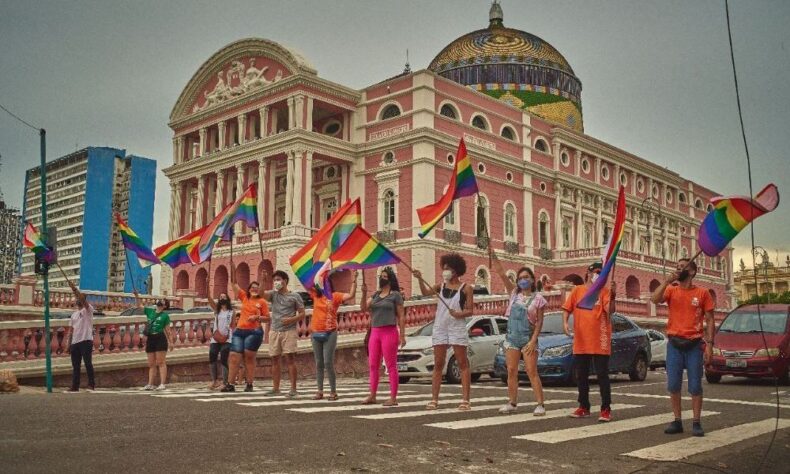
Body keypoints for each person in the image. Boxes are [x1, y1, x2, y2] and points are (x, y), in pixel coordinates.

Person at [651, 258, 715, 437]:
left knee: (695, 385)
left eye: (682, 267)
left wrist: (709, 345)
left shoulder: (702, 293)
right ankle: (677, 420)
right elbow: (654, 299)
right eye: (677, 267)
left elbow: (710, 320)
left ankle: (696, 422)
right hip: (674, 344)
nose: (678, 269)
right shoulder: (671, 290)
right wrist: (666, 281)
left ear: (692, 272)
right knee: (673, 384)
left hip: (694, 344)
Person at [489, 246, 548, 415]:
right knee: (511, 370)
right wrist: (493, 255)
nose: (523, 280)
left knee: (531, 371)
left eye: (526, 277)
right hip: (512, 337)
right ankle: (512, 402)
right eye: (521, 278)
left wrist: (532, 341)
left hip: (528, 338)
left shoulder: (539, 299)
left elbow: (539, 323)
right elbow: (500, 273)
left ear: (532, 279)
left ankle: (540, 404)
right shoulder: (514, 294)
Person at [413, 253, 474, 411]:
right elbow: (425, 293)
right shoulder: (440, 286)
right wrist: (419, 278)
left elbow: (470, 311)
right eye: (444, 268)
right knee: (438, 363)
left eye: (447, 269)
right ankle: (434, 399)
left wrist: (458, 314)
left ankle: (465, 400)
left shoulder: (466, 288)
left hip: (457, 327)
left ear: (455, 270)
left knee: (462, 363)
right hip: (440, 327)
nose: (444, 271)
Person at [562, 262, 617, 421]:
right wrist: (565, 323)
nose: (599, 275)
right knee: (582, 376)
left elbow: (610, 310)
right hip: (581, 339)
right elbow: (567, 309)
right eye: (597, 272)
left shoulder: (604, 292)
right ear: (588, 272)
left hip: (600, 338)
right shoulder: (577, 290)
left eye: (603, 273)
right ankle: (583, 406)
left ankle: (606, 409)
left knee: (602, 376)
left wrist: (613, 295)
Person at [360, 267, 406, 406]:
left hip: (389, 332)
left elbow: (401, 316)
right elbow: (363, 308)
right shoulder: (375, 295)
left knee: (391, 365)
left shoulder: (395, 295)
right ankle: (372, 395)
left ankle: (393, 397)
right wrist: (363, 293)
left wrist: (402, 335)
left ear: (391, 279)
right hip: (375, 332)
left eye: (385, 276)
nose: (382, 278)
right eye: (381, 275)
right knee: (373, 364)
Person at [310, 270, 358, 400]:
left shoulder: (335, 296)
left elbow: (351, 295)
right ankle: (319, 391)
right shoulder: (315, 295)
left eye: (327, 283)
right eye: (322, 283)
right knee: (319, 363)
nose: (325, 286)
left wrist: (354, 281)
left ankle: (333, 391)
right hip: (315, 332)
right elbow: (311, 281)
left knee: (328, 362)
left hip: (330, 332)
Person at [223, 263, 269, 392]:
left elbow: (267, 318)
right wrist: (232, 268)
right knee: (233, 356)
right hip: (239, 331)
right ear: (248, 289)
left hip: (254, 332)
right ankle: (230, 384)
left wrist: (257, 318)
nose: (254, 289)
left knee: (249, 356)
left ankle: (249, 383)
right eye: (252, 287)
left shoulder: (262, 302)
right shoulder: (244, 297)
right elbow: (234, 283)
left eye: (257, 287)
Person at [262, 270, 305, 398]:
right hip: (275, 330)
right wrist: (262, 280)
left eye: (278, 279)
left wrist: (291, 319)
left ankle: (293, 389)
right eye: (274, 280)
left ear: (285, 281)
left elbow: (302, 313)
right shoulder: (273, 295)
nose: (276, 282)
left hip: (289, 331)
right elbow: (260, 294)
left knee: (290, 359)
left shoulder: (295, 296)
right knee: (274, 359)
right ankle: (276, 388)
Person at [134, 292, 174, 391]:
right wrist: (137, 296)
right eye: (160, 300)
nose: (160, 302)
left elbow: (168, 330)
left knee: (161, 362)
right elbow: (139, 306)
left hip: (160, 338)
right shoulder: (150, 311)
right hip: (151, 338)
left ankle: (162, 384)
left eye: (163, 301)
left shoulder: (165, 316)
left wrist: (171, 342)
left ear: (165, 306)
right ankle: (150, 384)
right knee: (151, 363)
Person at [64, 281, 95, 392]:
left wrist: (74, 289)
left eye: (80, 298)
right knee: (75, 366)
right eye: (77, 298)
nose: (78, 300)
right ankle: (75, 386)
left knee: (88, 363)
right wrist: (68, 345)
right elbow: (71, 331)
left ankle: (91, 384)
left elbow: (83, 300)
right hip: (75, 343)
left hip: (86, 341)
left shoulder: (88, 310)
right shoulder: (74, 315)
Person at [206, 291, 233, 390]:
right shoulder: (217, 310)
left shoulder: (231, 312)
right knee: (212, 355)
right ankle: (215, 381)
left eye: (224, 297)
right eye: (220, 297)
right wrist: (207, 286)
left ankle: (225, 382)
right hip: (216, 338)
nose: (222, 298)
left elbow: (233, 325)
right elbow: (209, 298)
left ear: (227, 299)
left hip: (227, 338)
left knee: (224, 358)